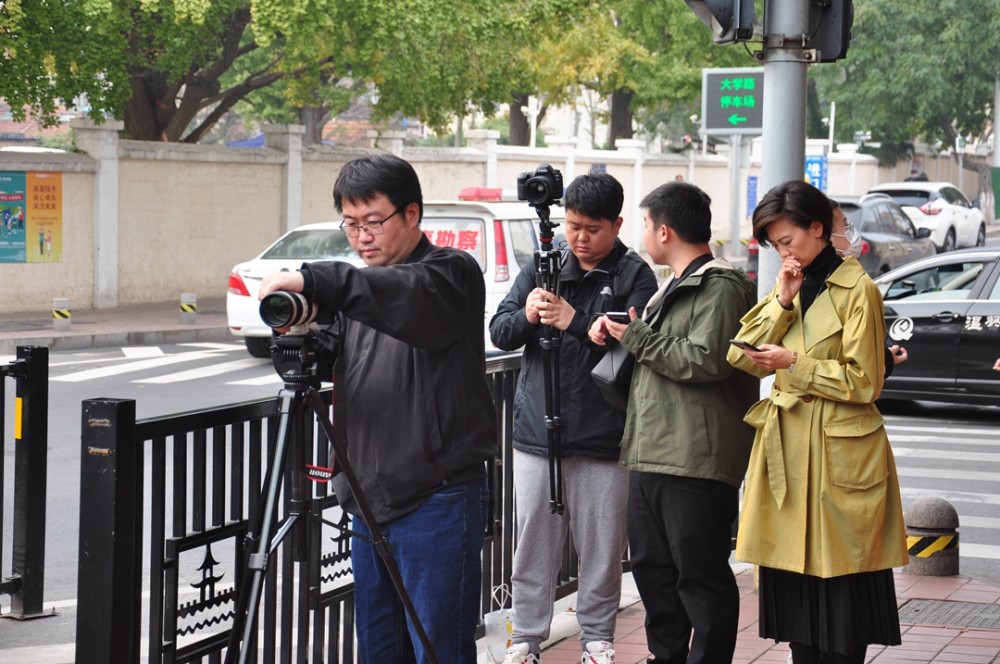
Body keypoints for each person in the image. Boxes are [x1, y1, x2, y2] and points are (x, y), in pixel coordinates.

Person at [258, 153, 496, 664]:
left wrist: (314, 279)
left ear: (412, 214)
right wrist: (294, 335)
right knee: (379, 652)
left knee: (439, 650)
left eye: (373, 221)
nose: (361, 236)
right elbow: (328, 359)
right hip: (368, 504)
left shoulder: (448, 273)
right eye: (350, 223)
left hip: (437, 499)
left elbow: (399, 296)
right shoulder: (364, 292)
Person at [727, 180, 908, 664]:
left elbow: (865, 381)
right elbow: (740, 356)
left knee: (844, 603)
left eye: (787, 241)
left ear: (817, 228)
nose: (783, 252)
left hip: (839, 458)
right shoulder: (789, 285)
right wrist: (782, 301)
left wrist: (793, 363)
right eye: (774, 245)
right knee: (797, 608)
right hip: (790, 450)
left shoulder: (859, 291)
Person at [490, 170, 657, 664]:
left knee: (602, 546)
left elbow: (635, 345)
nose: (579, 238)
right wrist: (529, 315)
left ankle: (597, 636)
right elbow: (500, 330)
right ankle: (525, 638)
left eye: (591, 228)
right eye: (572, 225)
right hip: (537, 433)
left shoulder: (633, 274)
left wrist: (575, 321)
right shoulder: (546, 263)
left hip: (605, 433)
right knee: (532, 543)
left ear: (617, 224)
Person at [591, 181, 758, 664]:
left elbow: (707, 360)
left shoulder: (722, 286)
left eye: (644, 224)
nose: (644, 234)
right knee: (653, 573)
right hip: (651, 452)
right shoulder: (673, 286)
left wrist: (638, 336)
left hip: (696, 461)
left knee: (700, 578)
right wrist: (623, 333)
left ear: (663, 230)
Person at [828, 199, 908, 371]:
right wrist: (884, 359)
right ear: (824, 235)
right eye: (845, 226)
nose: (852, 232)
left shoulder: (856, 282)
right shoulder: (859, 288)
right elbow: (860, 371)